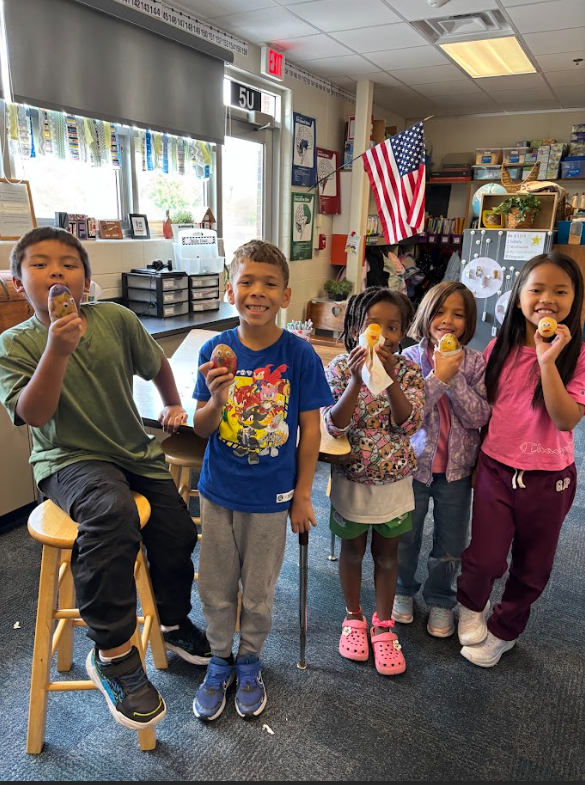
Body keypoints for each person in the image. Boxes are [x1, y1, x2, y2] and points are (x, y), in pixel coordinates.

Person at [0, 227, 211, 733]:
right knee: (112, 514)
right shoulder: (15, 342)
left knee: (177, 530)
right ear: (16, 283)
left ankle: (173, 618)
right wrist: (56, 349)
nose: (56, 272)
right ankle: (113, 651)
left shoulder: (116, 319)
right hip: (68, 460)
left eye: (69, 264)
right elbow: (33, 412)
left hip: (131, 449)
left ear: (88, 281)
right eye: (41, 264)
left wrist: (172, 401)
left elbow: (156, 362)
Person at [191, 239, 333, 721]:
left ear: (286, 295)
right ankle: (219, 657)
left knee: (258, 588)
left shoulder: (299, 354)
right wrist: (214, 398)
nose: (257, 291)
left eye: (269, 283)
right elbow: (202, 428)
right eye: (247, 281)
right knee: (214, 583)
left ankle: (249, 658)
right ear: (230, 291)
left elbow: (311, 429)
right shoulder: (215, 349)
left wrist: (303, 495)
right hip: (219, 492)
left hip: (273, 496)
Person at [457, 252, 585, 667]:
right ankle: (471, 607)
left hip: (550, 480)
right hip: (496, 468)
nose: (547, 299)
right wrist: (477, 462)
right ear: (518, 298)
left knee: (533, 566)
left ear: (575, 299)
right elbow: (486, 410)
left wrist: (548, 362)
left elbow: (565, 419)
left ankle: (504, 630)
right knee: (485, 557)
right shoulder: (500, 347)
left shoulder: (578, 354)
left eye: (560, 291)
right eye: (537, 289)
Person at [322, 286, 424, 676]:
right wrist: (356, 380)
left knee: (387, 555)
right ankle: (353, 618)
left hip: (395, 483)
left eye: (393, 327)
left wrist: (391, 379)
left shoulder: (410, 371)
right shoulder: (338, 368)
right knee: (351, 553)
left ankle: (384, 625)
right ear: (355, 329)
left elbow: (410, 422)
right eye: (373, 325)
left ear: (402, 334)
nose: (383, 334)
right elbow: (335, 424)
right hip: (351, 480)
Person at [393, 282, 490, 637]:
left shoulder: (476, 362)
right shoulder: (409, 359)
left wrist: (455, 380)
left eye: (458, 314)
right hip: (414, 468)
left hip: (457, 472)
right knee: (406, 536)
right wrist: (438, 377)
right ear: (426, 315)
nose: (447, 321)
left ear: (468, 322)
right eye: (439, 312)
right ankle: (403, 590)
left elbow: (479, 416)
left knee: (450, 545)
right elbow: (408, 417)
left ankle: (440, 599)